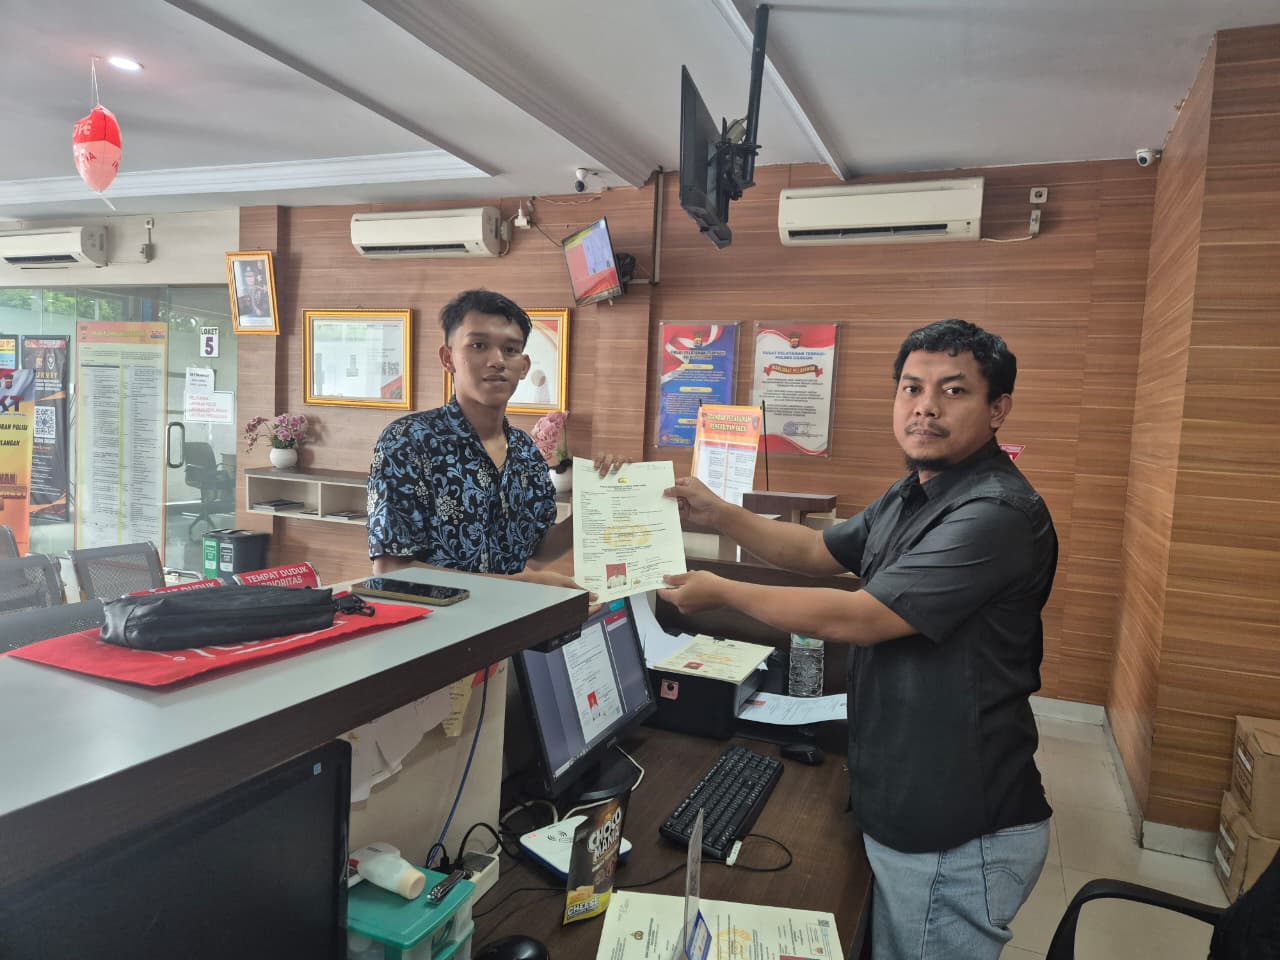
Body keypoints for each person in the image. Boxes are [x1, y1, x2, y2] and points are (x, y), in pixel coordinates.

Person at [659, 319, 1057, 960]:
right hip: (910, 795)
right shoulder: (914, 492)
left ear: (997, 409)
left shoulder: (995, 513)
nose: (925, 406)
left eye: (954, 390)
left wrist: (723, 592)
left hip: (957, 829)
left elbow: (860, 617)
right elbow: (815, 551)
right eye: (912, 387)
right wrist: (720, 513)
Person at [367, 289, 619, 586]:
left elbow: (537, 553)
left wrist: (598, 504)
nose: (497, 360)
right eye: (479, 345)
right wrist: (521, 587)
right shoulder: (408, 441)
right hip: (438, 617)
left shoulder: (525, 452)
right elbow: (392, 569)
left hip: (520, 615)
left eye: (510, 350)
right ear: (448, 358)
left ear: (524, 366)